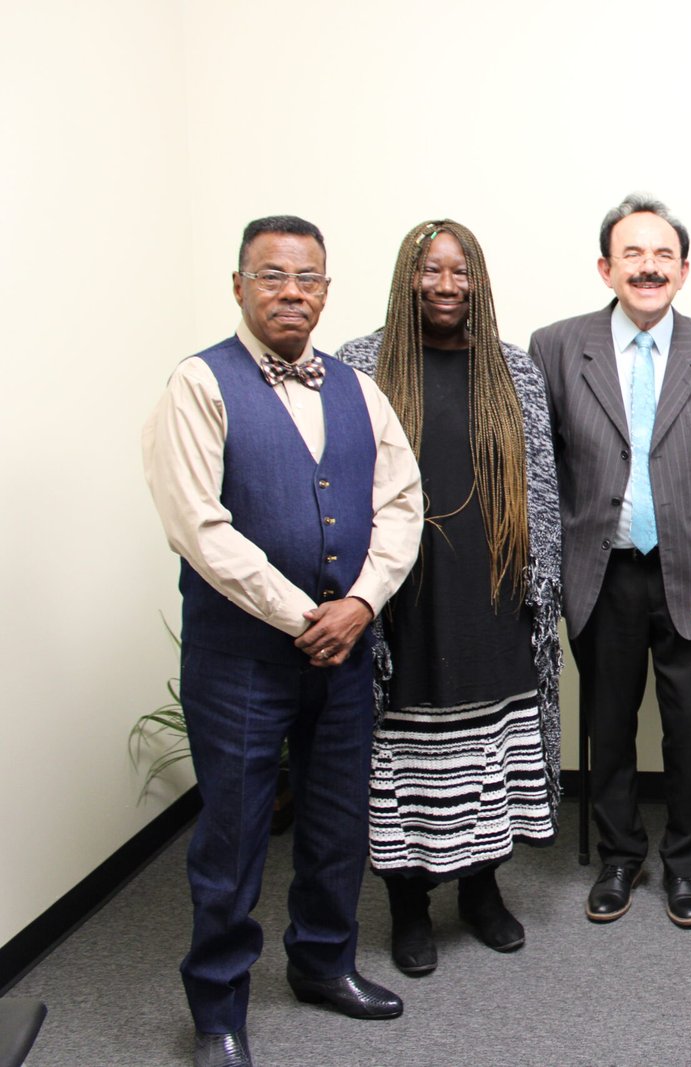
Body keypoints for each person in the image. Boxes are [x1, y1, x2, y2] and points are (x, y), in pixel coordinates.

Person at [142, 216, 423, 1067]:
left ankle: (323, 964)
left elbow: (403, 503)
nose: (291, 291)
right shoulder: (198, 384)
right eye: (272, 276)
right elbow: (199, 526)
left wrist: (363, 603)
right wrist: (305, 614)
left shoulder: (357, 388)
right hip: (242, 659)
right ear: (238, 285)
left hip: (343, 650)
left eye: (307, 278)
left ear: (327, 292)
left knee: (339, 820)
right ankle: (219, 1010)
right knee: (231, 835)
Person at [336, 220, 564, 975]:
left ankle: (481, 890)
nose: (445, 284)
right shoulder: (360, 364)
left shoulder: (514, 368)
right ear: (407, 276)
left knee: (488, 743)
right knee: (403, 750)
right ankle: (407, 903)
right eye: (430, 270)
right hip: (400, 591)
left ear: (479, 281)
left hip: (494, 588)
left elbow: (542, 482)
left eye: (460, 271)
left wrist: (543, 588)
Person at [531, 194, 691, 929]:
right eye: (633, 254)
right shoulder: (557, 346)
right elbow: (545, 468)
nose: (648, 266)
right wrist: (551, 570)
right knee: (609, 725)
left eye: (663, 255)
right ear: (606, 266)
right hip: (601, 573)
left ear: (684, 270)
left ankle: (685, 864)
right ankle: (619, 857)